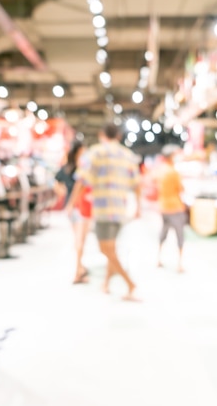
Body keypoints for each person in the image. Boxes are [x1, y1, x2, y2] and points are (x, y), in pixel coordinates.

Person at [67, 124, 140, 300]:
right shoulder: (128, 155)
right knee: (111, 248)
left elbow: (82, 180)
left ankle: (130, 284)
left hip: (103, 209)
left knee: (106, 250)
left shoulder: (96, 152)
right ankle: (106, 284)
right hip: (120, 210)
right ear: (119, 136)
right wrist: (138, 207)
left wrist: (71, 203)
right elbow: (137, 184)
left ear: (102, 134)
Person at [55, 141, 92, 284]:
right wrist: (70, 201)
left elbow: (56, 182)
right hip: (79, 207)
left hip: (74, 207)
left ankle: (80, 266)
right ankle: (78, 271)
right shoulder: (81, 169)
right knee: (80, 240)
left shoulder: (68, 168)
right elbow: (78, 186)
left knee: (79, 239)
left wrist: (64, 196)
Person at [157, 145, 187, 273]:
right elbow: (181, 189)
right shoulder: (173, 172)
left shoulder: (160, 170)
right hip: (175, 207)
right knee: (179, 235)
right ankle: (179, 264)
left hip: (163, 206)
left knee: (163, 233)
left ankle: (158, 258)